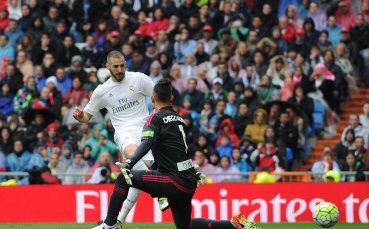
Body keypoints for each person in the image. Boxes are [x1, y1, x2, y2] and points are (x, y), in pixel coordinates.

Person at [93, 79, 258, 229]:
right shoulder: (179, 119)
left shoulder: (154, 119)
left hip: (172, 179)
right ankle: (234, 225)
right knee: (186, 227)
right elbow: (175, 150)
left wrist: (130, 162)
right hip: (188, 181)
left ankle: (110, 224)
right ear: (171, 99)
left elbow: (147, 143)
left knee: (123, 177)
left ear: (152, 100)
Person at [72, 51, 168, 222]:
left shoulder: (138, 79)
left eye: (122, 65)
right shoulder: (102, 91)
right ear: (107, 66)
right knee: (134, 153)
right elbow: (87, 116)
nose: (119, 69)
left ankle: (118, 221)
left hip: (146, 128)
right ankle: (160, 190)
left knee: (136, 179)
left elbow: (159, 98)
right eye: (115, 66)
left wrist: (159, 116)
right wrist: (81, 117)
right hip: (124, 132)